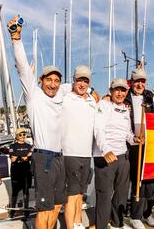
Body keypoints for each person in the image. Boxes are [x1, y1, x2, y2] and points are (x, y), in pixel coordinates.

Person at [9, 15, 66, 229]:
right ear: (40, 81)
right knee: (44, 209)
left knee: (58, 205)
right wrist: (16, 38)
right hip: (44, 158)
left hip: (60, 157)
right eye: (48, 80)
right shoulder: (34, 96)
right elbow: (23, 67)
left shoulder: (61, 95)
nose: (53, 84)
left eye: (56, 80)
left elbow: (80, 89)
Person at [93, 78, 142, 229]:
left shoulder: (126, 109)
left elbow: (127, 133)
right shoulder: (103, 105)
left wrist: (135, 139)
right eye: (117, 90)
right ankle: (101, 226)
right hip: (105, 157)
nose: (120, 93)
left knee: (121, 194)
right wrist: (105, 149)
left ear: (126, 92)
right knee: (104, 196)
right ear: (111, 91)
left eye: (123, 90)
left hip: (123, 157)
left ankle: (116, 224)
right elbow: (98, 129)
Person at [125, 68, 154, 229]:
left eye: (143, 81)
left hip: (149, 145)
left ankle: (147, 213)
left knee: (151, 181)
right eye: (137, 81)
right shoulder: (126, 98)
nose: (140, 84)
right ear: (131, 82)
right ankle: (135, 216)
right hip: (132, 146)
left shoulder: (149, 96)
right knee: (137, 181)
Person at [62, 65, 97, 229]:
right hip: (70, 153)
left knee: (80, 194)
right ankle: (70, 226)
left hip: (86, 153)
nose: (82, 84)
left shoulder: (91, 100)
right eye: (79, 80)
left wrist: (92, 93)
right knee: (72, 195)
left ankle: (77, 224)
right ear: (73, 81)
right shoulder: (66, 96)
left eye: (85, 81)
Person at [9, 127, 32, 218]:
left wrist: (20, 157)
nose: (23, 136)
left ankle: (26, 210)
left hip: (26, 172)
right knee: (15, 192)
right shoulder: (13, 146)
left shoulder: (28, 145)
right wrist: (25, 156)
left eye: (24, 134)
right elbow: (12, 159)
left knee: (26, 191)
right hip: (16, 172)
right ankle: (13, 211)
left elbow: (31, 155)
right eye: (21, 134)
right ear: (17, 136)